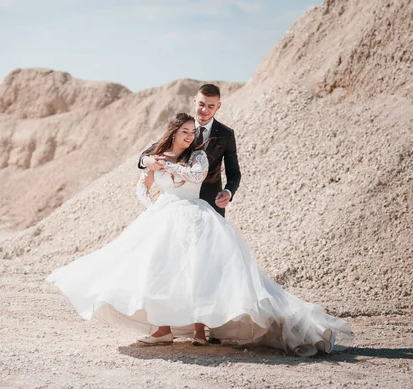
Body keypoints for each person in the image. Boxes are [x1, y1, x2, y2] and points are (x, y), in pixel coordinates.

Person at [47, 113, 352, 356]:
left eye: (193, 133)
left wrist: (168, 165)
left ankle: (200, 332)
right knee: (158, 271)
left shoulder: (198, 157)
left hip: (195, 216)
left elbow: (196, 177)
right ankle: (162, 330)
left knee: (197, 272)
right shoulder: (157, 155)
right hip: (163, 216)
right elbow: (142, 184)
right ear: (173, 132)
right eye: (185, 132)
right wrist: (151, 201)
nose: (191, 136)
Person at [139, 83, 240, 218]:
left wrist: (228, 192)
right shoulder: (181, 125)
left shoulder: (226, 134)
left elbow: (234, 172)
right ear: (194, 101)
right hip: (179, 203)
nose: (205, 110)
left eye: (211, 106)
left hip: (211, 201)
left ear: (218, 106)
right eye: (201, 104)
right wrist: (146, 160)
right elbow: (152, 151)